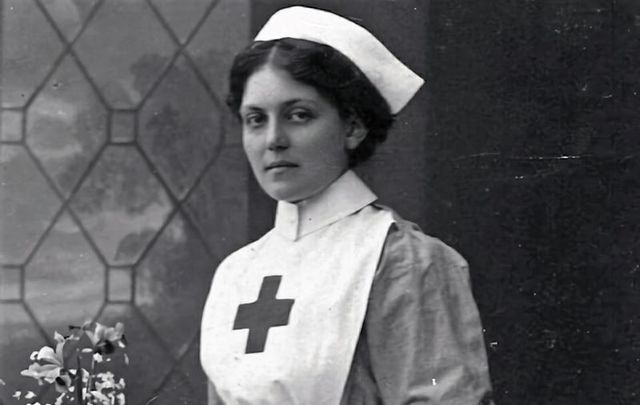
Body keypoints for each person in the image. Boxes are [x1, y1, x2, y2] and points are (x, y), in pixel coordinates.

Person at [200, 6, 493, 405]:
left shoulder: (398, 261)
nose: (273, 139)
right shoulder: (235, 274)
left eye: (298, 115)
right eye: (255, 119)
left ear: (352, 126)